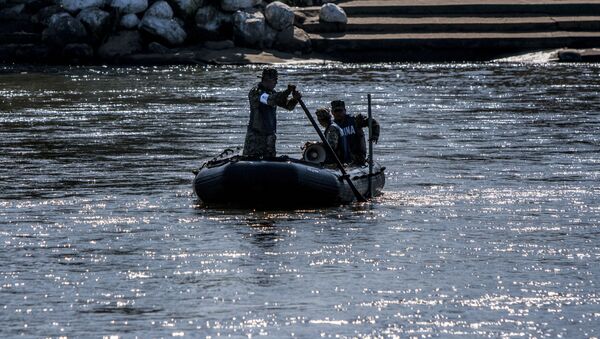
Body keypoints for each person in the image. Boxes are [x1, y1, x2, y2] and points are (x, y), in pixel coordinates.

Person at [242, 68, 302, 158]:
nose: (276, 83)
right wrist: (287, 92)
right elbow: (269, 100)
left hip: (269, 138)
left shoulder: (272, 93)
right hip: (256, 137)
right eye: (275, 80)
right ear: (266, 80)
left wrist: (295, 99)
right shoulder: (256, 93)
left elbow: (288, 106)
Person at [330, 99, 380, 165]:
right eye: (336, 111)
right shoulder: (332, 126)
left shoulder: (355, 120)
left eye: (340, 111)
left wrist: (375, 135)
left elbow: (373, 122)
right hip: (341, 159)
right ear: (332, 112)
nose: (338, 113)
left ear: (345, 111)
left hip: (357, 157)